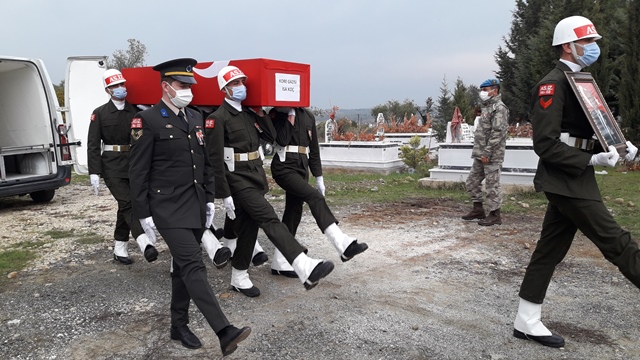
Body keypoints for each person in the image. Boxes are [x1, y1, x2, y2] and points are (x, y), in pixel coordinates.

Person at [512, 16, 639, 348]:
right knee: (617, 242)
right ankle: (526, 320)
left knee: (549, 250)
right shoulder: (552, 84)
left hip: (575, 177)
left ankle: (526, 319)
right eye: (587, 42)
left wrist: (619, 146)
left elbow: (590, 131)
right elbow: (546, 143)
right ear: (568, 45)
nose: (593, 47)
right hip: (565, 179)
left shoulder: (582, 80)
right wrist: (591, 160)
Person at [129, 58, 250, 355]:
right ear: (166, 87)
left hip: (195, 205)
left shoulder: (195, 118)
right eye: (183, 86)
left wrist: (209, 199)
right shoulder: (148, 120)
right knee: (194, 264)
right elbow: (138, 171)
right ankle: (224, 331)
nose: (188, 91)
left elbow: (206, 164)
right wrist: (142, 213)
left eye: (190, 86)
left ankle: (178, 325)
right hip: (166, 207)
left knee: (183, 268)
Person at [204, 65, 334, 297]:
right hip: (236, 180)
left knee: (249, 226)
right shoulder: (217, 118)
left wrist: (261, 113)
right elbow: (214, 160)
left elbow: (274, 137)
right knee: (268, 217)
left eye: (242, 82)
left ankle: (239, 275)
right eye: (235, 84)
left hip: (255, 177)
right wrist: (224, 195)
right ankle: (303, 264)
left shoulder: (250, 114)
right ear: (224, 89)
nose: (241, 87)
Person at [268, 107, 368, 277]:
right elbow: (282, 140)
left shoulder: (308, 116)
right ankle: (342, 243)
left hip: (301, 168)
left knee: (293, 211)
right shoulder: (277, 113)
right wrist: (289, 117)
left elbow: (313, 149)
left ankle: (280, 260)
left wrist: (319, 176)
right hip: (283, 168)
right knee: (313, 197)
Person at [87, 69, 157, 264]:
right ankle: (144, 243)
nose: (120, 89)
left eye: (122, 85)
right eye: (115, 86)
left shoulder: (135, 111)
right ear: (108, 89)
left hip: (133, 162)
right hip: (110, 165)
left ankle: (120, 247)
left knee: (125, 205)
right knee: (127, 203)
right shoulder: (99, 113)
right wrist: (94, 171)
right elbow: (93, 143)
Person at [460, 78, 509, 226]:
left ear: (495, 90)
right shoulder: (487, 107)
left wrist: (487, 152)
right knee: (472, 181)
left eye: (485, 90)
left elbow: (498, 133)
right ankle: (478, 209)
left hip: (491, 155)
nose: (482, 93)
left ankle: (495, 214)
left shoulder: (499, 108)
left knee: (492, 185)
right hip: (480, 154)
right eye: (482, 90)